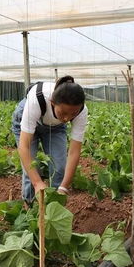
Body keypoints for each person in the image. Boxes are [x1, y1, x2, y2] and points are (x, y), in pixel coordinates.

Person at [11, 76, 88, 204]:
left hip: (55, 127)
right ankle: (30, 210)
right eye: (63, 113)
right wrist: (37, 183)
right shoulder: (37, 99)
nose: (67, 119)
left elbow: (74, 151)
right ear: (52, 103)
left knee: (59, 167)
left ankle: (55, 208)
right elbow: (24, 147)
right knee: (31, 168)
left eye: (73, 114)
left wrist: (64, 187)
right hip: (27, 120)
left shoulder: (81, 111)